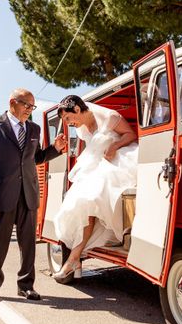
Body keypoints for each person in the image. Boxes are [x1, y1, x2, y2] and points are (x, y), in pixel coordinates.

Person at [0, 88, 67, 303]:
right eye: (26, 105)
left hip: (28, 194)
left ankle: (26, 285)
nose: (29, 110)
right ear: (12, 102)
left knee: (28, 245)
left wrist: (55, 149)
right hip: (1, 195)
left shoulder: (34, 129)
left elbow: (35, 158)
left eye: (32, 106)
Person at [52, 95, 138, 283]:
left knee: (90, 201)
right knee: (83, 207)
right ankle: (74, 260)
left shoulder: (110, 117)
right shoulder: (82, 127)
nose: (67, 124)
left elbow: (131, 134)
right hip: (98, 166)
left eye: (67, 118)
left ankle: (73, 261)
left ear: (76, 110)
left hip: (118, 161)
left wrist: (115, 146)